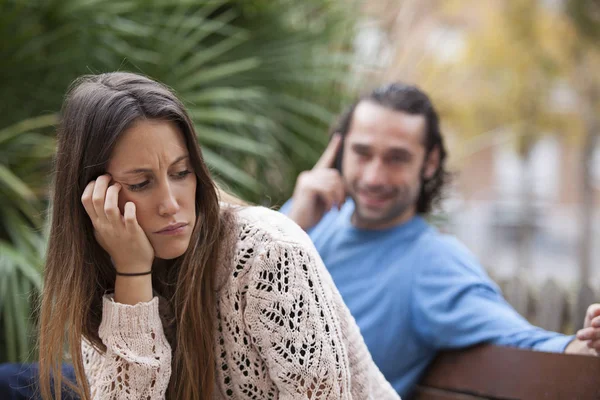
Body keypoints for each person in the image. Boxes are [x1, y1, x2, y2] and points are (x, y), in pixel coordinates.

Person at [31, 72, 399, 400]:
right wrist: (132, 276)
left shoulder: (269, 254)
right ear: (96, 197)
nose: (171, 204)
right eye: (141, 183)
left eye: (181, 172)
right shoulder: (106, 273)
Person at [280, 82, 600, 398]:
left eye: (397, 158)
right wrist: (293, 223)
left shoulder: (433, 264)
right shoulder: (308, 219)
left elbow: (521, 339)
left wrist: (585, 345)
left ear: (429, 162)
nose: (374, 177)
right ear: (338, 149)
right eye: (362, 153)